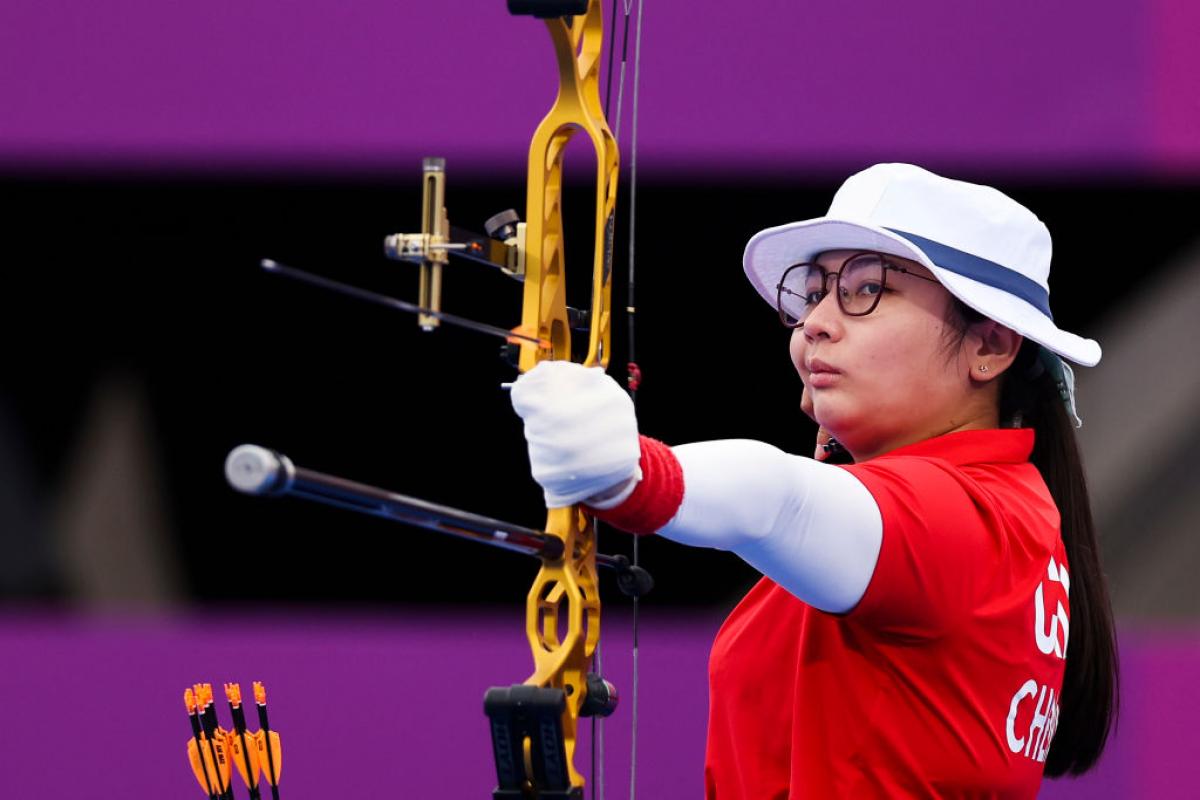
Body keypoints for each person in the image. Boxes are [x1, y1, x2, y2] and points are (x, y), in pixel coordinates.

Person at [509, 163, 1118, 798]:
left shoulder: (970, 513)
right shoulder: (1001, 505)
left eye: (866, 289)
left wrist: (631, 476)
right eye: (815, 290)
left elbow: (779, 501)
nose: (816, 323)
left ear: (988, 345)